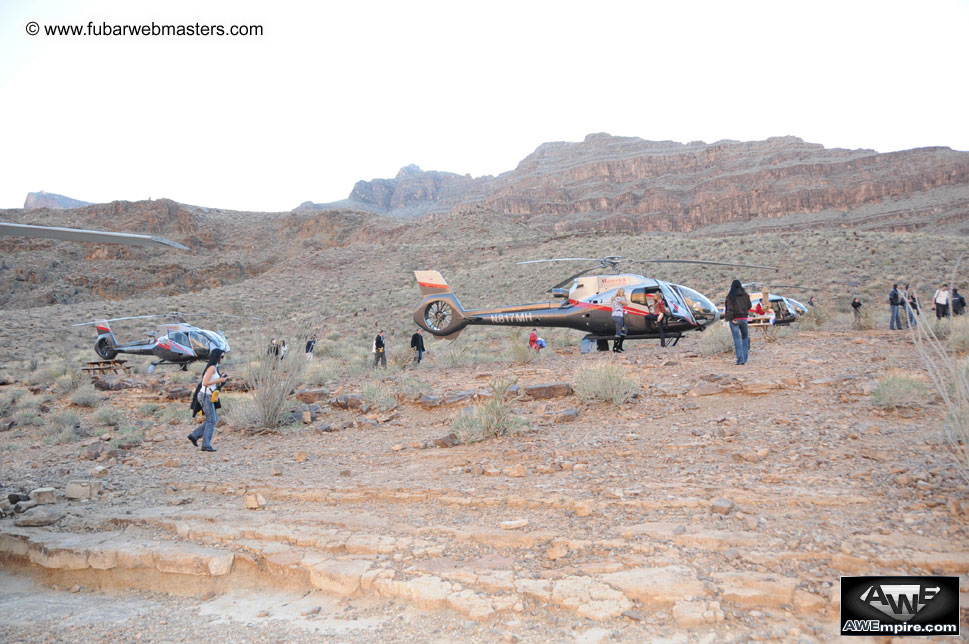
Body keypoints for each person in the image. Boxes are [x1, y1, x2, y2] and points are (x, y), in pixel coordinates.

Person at [188, 349, 228, 453]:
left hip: (208, 396)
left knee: (213, 419)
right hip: (205, 396)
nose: (222, 359)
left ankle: (194, 435)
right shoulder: (211, 368)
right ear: (217, 357)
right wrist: (220, 380)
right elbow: (205, 382)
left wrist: (222, 378)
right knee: (212, 420)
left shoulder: (215, 367)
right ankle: (205, 444)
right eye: (221, 357)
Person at [724, 280, 752, 365]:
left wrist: (731, 318)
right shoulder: (746, 295)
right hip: (744, 319)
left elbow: (730, 308)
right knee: (745, 338)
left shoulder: (730, 296)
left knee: (737, 338)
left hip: (735, 319)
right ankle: (744, 359)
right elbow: (749, 306)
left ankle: (739, 359)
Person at [611, 288, 627, 353]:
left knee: (624, 331)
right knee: (618, 332)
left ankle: (619, 346)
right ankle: (615, 348)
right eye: (623, 292)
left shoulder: (617, 298)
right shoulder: (618, 298)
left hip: (619, 315)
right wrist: (625, 298)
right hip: (617, 316)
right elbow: (625, 303)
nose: (624, 294)